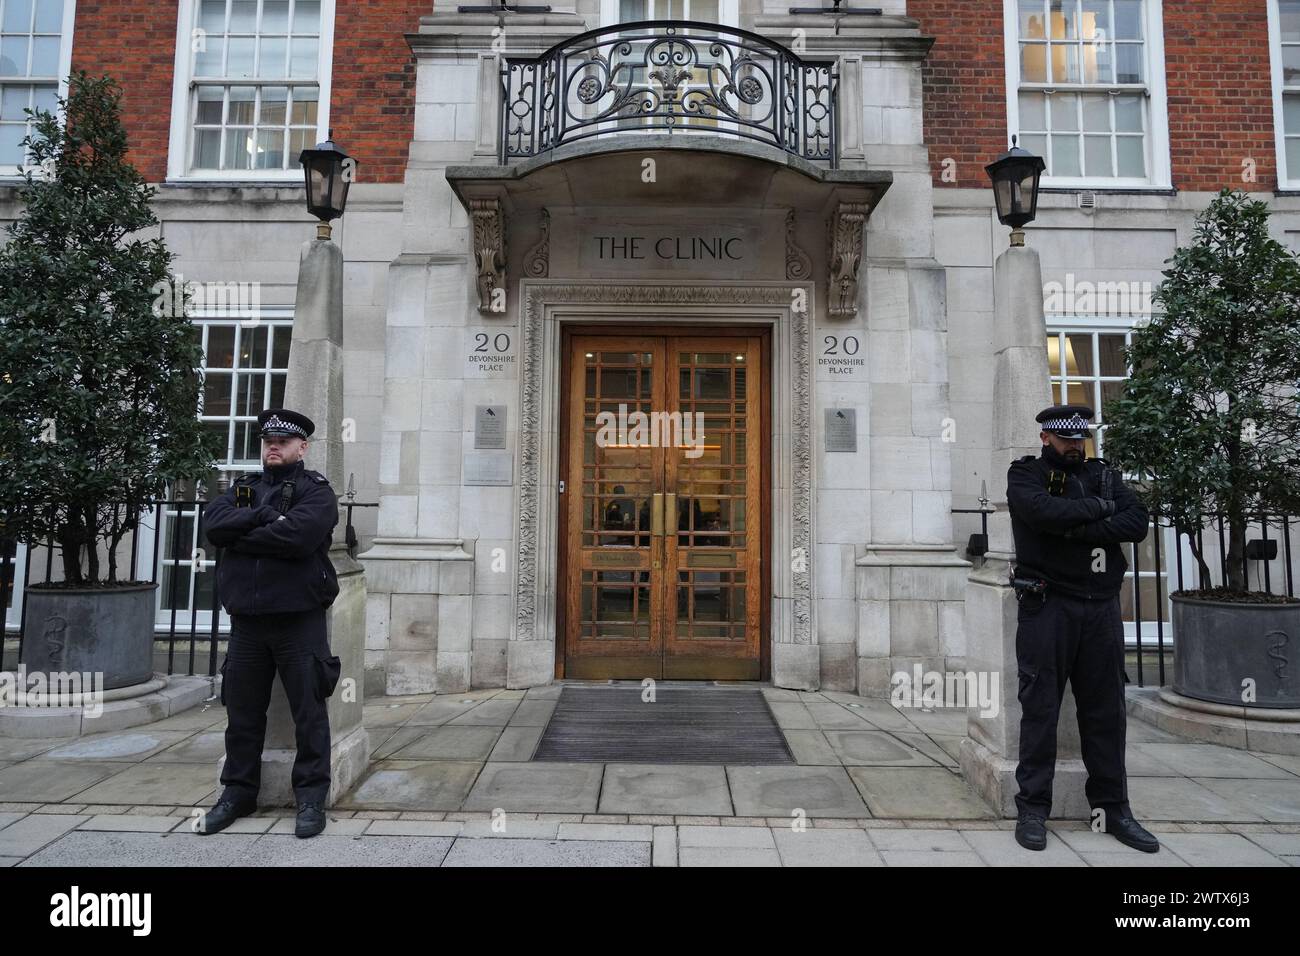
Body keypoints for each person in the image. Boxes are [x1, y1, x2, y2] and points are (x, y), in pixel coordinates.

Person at [1005, 403, 1160, 854]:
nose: (1075, 446)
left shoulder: (1105, 475)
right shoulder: (1026, 474)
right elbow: (1038, 514)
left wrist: (1074, 521)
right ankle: (1033, 810)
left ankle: (1114, 810)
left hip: (1100, 608)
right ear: (1046, 438)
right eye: (1066, 439)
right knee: (1040, 711)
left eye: (1080, 439)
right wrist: (1096, 515)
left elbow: (1136, 523)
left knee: (1106, 713)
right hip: (1046, 604)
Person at [197, 408, 341, 838]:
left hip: (298, 620)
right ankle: (237, 793)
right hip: (248, 623)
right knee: (241, 714)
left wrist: (241, 540)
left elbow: (298, 538)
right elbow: (213, 525)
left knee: (308, 713)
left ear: (302, 448)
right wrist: (261, 517)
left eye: (282, 441)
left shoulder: (317, 492)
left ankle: (311, 799)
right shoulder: (245, 489)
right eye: (267, 441)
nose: (272, 446)